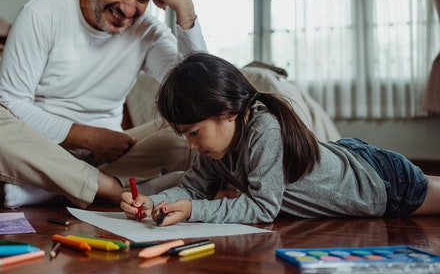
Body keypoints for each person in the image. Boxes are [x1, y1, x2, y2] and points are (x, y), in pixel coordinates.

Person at [0, 0, 206, 209]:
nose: (127, 9)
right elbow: (11, 102)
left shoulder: (148, 31)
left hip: (111, 158)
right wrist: (88, 137)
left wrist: (185, 9)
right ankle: (110, 189)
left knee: (193, 131)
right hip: (35, 154)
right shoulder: (42, 12)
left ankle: (52, 191)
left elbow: (198, 94)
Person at [120, 52, 440, 225]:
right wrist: (155, 202)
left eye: (193, 132)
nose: (190, 145)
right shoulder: (214, 149)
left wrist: (194, 210)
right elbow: (192, 188)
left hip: (383, 185)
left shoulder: (264, 127)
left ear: (228, 113)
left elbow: (262, 208)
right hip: (349, 160)